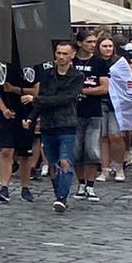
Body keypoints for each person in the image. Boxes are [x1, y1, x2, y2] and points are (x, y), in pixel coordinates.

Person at [32, 39, 84, 214]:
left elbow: (66, 98)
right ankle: (58, 194)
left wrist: (38, 100)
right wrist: (31, 117)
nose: (61, 57)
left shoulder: (77, 76)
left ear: (72, 55)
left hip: (67, 123)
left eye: (64, 54)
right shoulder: (47, 75)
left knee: (65, 161)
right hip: (48, 124)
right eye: (58, 53)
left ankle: (62, 196)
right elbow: (44, 97)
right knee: (52, 163)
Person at [0, 63, 38, 203]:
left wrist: (15, 90)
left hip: (27, 113)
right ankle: (4, 187)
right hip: (5, 115)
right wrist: (4, 109)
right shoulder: (0, 64)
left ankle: (25, 187)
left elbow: (36, 91)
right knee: (7, 150)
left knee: (25, 154)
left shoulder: (33, 64)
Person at [72, 34, 108, 202]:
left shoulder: (99, 63)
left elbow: (104, 88)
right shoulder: (72, 61)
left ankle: (91, 185)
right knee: (76, 150)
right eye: (89, 42)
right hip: (74, 112)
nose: (93, 45)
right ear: (80, 43)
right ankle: (80, 183)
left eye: (94, 42)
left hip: (93, 111)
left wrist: (83, 91)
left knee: (92, 150)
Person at [94, 34, 132, 183]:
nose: (108, 49)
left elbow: (127, 82)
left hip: (116, 103)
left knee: (116, 135)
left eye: (110, 46)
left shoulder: (120, 62)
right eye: (105, 46)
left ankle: (118, 166)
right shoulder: (95, 62)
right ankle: (104, 169)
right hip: (99, 102)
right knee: (103, 137)